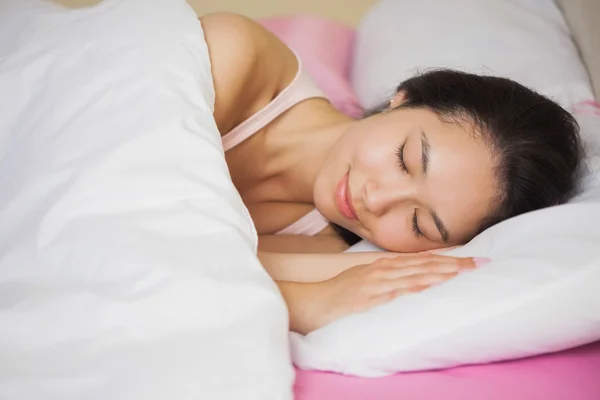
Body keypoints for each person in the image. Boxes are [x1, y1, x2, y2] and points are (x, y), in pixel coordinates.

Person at [200, 13, 582, 334]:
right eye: (405, 159)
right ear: (401, 99)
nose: (376, 200)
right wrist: (302, 302)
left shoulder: (332, 252)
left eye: (419, 223)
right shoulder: (238, 60)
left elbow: (187, 274)